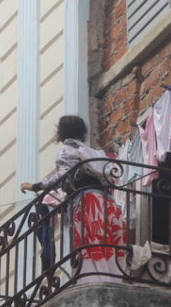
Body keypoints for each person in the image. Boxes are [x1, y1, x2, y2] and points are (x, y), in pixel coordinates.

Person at [21, 116, 126, 283]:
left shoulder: (66, 150)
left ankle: (93, 281)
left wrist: (36, 186)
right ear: (82, 132)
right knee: (108, 244)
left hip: (88, 202)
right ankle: (114, 280)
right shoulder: (93, 152)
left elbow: (63, 174)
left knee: (90, 244)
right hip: (108, 203)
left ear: (60, 132)